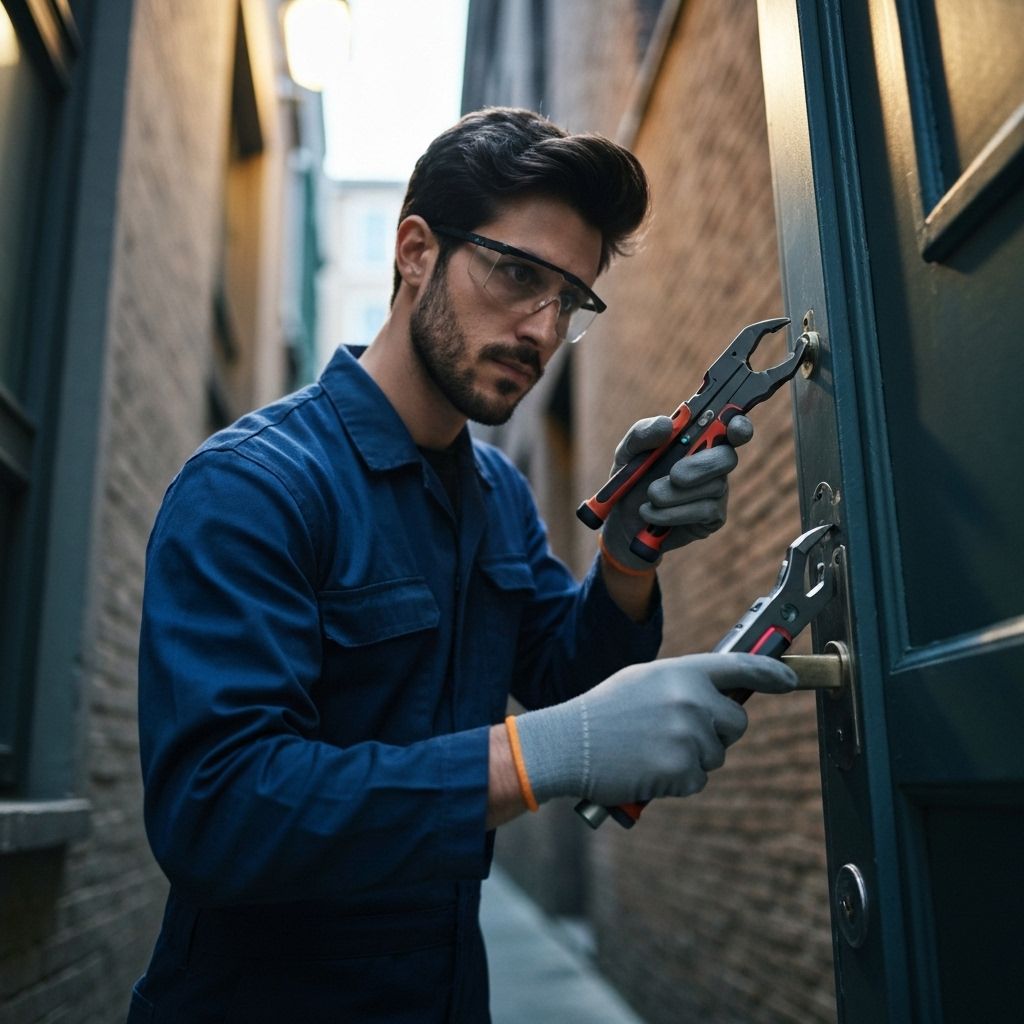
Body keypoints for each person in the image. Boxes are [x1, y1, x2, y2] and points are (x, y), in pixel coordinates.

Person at [127, 107, 796, 1023]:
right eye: (518, 274)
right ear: (414, 252)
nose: (541, 329)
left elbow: (571, 677)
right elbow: (219, 812)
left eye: (570, 301)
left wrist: (630, 552)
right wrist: (537, 757)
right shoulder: (255, 487)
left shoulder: (495, 495)